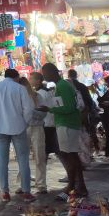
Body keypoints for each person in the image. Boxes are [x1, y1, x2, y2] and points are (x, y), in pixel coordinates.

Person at [37, 63, 88, 201]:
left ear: (52, 72)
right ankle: (78, 186)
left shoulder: (62, 86)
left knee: (70, 156)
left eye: (45, 73)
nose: (44, 76)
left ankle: (72, 186)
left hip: (67, 124)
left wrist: (49, 110)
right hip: (65, 123)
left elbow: (69, 108)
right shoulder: (61, 86)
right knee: (70, 155)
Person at [0, 69, 34, 201]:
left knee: (2, 161)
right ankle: (26, 192)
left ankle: (5, 192)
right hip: (18, 128)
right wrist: (25, 123)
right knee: (23, 160)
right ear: (16, 77)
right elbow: (28, 109)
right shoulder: (20, 88)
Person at [23, 74, 49, 194]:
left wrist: (31, 112)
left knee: (40, 156)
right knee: (22, 157)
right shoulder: (18, 97)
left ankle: (41, 183)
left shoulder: (37, 96)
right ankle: (22, 183)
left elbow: (44, 112)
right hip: (23, 128)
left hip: (37, 127)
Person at [68, 68, 100, 154]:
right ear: (76, 76)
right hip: (84, 111)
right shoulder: (82, 86)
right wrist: (90, 108)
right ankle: (94, 148)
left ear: (68, 76)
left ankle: (80, 150)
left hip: (73, 112)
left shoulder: (67, 86)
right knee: (89, 129)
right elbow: (88, 99)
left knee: (77, 131)